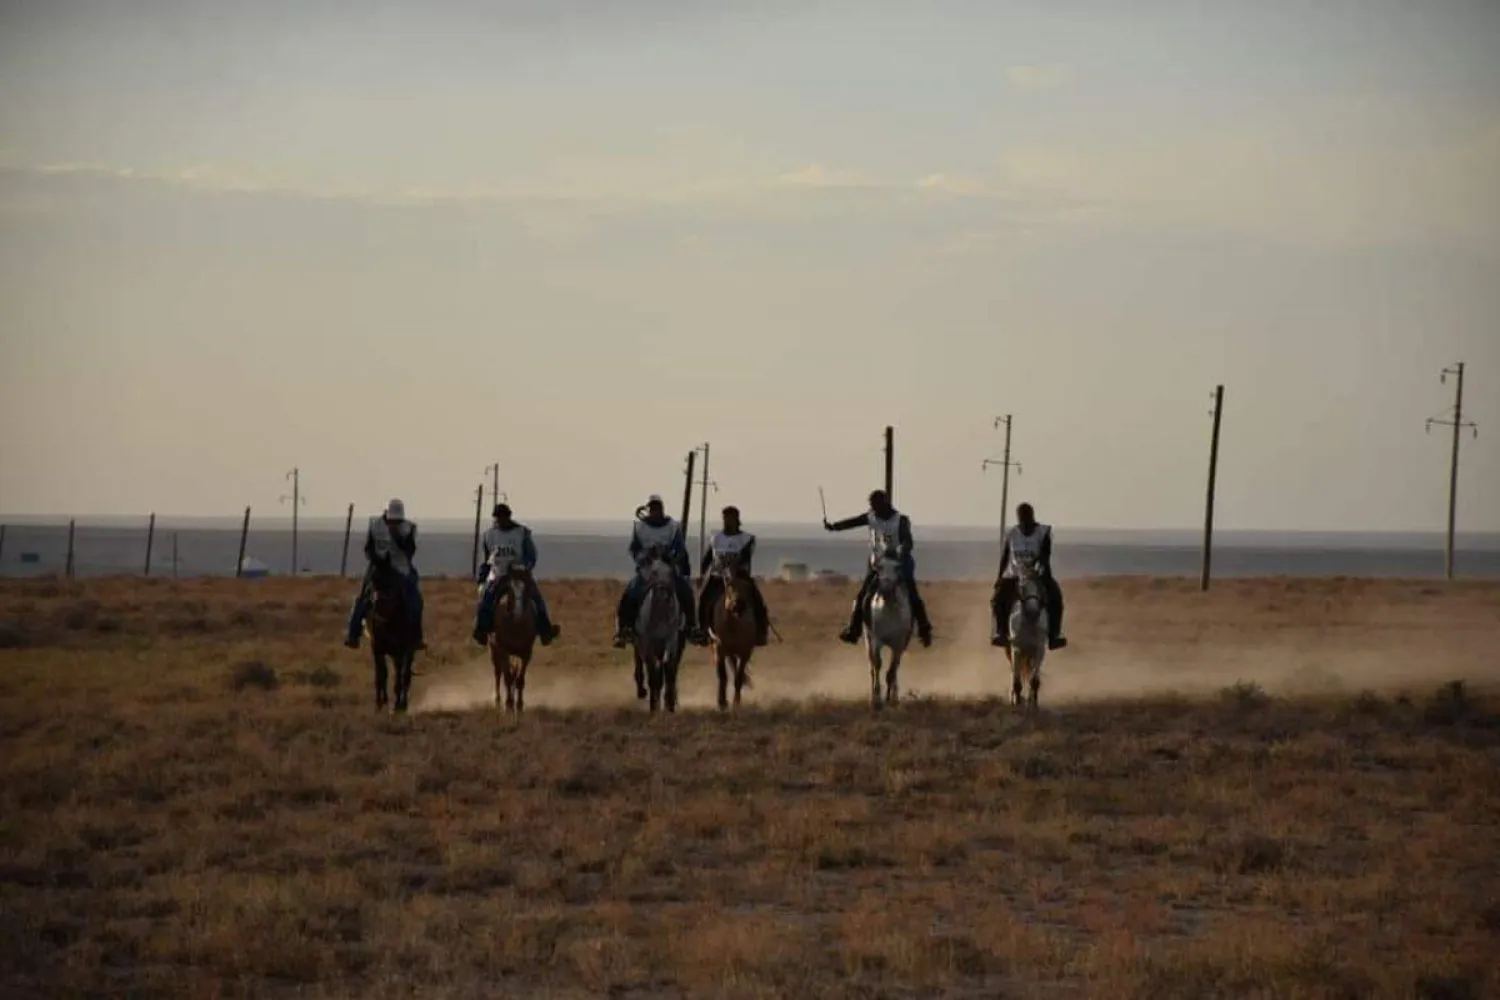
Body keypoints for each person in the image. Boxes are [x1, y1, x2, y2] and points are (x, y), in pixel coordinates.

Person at [823, 489, 933, 647]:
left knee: (912, 594)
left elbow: (908, 541)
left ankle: (924, 630)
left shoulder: (901, 520)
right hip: (878, 563)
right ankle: (854, 630)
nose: (873, 508)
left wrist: (902, 549)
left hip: (900, 563)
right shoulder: (871, 517)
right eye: (872, 505)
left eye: (876, 505)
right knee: (862, 595)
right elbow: (852, 522)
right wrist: (833, 527)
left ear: (885, 503)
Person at [612, 494, 705, 648]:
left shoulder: (673, 527)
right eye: (652, 508)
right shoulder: (640, 527)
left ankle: (691, 627)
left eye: (657, 507)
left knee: (685, 590)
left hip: (668, 568)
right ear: (648, 509)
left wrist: (667, 555)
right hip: (647, 570)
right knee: (630, 593)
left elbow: (679, 549)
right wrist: (645, 555)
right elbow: (634, 549)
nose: (655, 511)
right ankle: (624, 629)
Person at [471, 502, 561, 647]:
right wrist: (482, 579)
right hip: (498, 575)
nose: (501, 521)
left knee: (537, 598)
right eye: (498, 518)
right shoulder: (489, 535)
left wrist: (525, 567)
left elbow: (531, 556)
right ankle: (481, 630)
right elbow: (486, 560)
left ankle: (545, 630)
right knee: (485, 600)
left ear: (509, 517)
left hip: (519, 574)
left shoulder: (522, 533)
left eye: (503, 517)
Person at [344, 498, 425, 650]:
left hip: (402, 569)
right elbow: (368, 549)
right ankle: (353, 634)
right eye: (391, 521)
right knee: (362, 598)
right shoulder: (375, 527)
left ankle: (417, 637)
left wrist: (399, 551)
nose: (394, 524)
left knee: (415, 598)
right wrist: (379, 561)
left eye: (397, 521)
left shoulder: (409, 529)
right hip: (378, 568)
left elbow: (410, 550)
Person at [990, 502, 1067, 650]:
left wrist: (1038, 566)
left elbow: (1045, 555)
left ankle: (1054, 635)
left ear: (1032, 517)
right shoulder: (1012, 534)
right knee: (997, 599)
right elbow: (1005, 557)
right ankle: (1001, 632)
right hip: (1014, 575)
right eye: (1021, 519)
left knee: (1055, 596)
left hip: (1038, 575)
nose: (1024, 522)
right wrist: (999, 578)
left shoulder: (1043, 532)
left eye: (1027, 518)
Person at [696, 505, 770, 646]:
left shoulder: (746, 539)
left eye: (730, 519)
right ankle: (702, 631)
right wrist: (702, 574)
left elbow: (745, 557)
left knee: (756, 598)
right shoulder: (716, 538)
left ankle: (761, 631)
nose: (727, 522)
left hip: (739, 578)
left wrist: (734, 565)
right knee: (703, 599)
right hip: (717, 577)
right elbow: (707, 559)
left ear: (737, 520)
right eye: (725, 518)